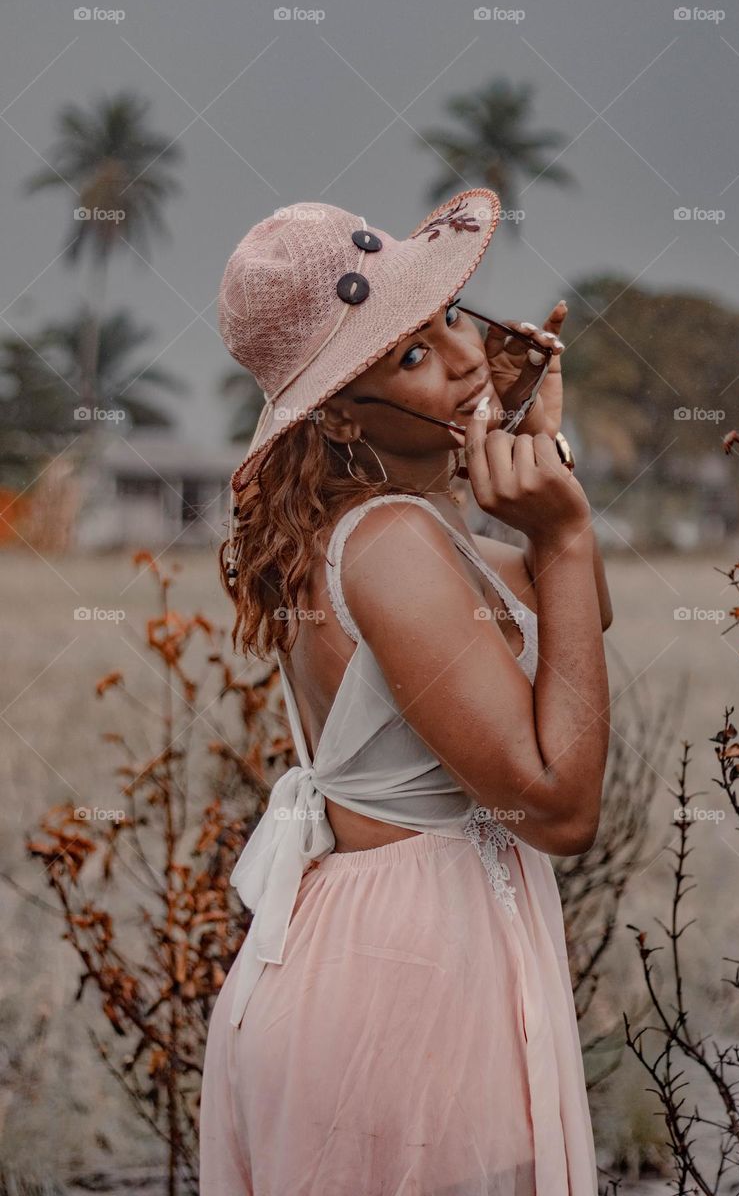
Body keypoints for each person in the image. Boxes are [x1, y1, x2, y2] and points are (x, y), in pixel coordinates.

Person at [199, 187, 613, 1194]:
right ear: (339, 407)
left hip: (395, 962)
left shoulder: (405, 531)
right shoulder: (390, 546)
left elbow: (574, 622)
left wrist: (531, 455)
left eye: (449, 322)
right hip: (405, 989)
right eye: (412, 356)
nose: (468, 357)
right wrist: (558, 530)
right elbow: (556, 803)